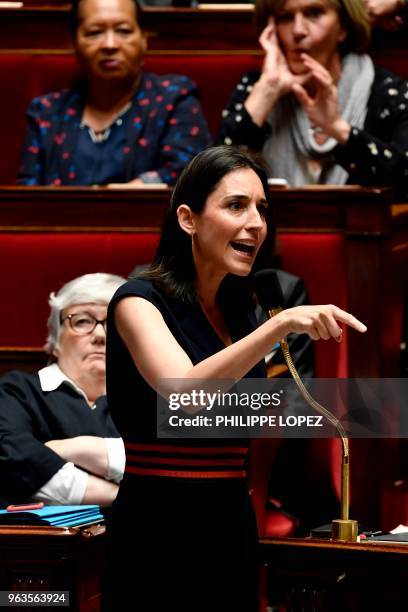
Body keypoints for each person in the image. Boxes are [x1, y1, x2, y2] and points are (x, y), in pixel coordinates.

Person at [103, 145, 366, 611]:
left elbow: (266, 414)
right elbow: (183, 395)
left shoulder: (242, 311)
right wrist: (279, 326)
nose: (256, 223)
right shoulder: (138, 300)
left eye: (262, 208)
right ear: (188, 218)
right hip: (157, 522)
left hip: (230, 517)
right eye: (236, 205)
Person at [216, 0, 408, 199]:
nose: (298, 30)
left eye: (314, 13)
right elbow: (212, 185)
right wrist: (267, 90)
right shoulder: (256, 86)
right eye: (285, 17)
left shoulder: (388, 92)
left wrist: (338, 128)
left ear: (343, 27)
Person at [17, 0, 210, 187]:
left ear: (144, 39)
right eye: (95, 33)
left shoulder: (174, 99)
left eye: (123, 31)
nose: (110, 44)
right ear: (74, 42)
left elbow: (195, 174)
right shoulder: (46, 113)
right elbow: (28, 196)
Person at [0, 273, 126, 508]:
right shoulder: (15, 390)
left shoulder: (155, 396)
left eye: (114, 323)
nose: (99, 335)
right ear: (56, 342)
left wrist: (79, 449)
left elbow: (187, 460)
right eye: (81, 321)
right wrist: (122, 495)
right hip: (41, 542)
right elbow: (10, 455)